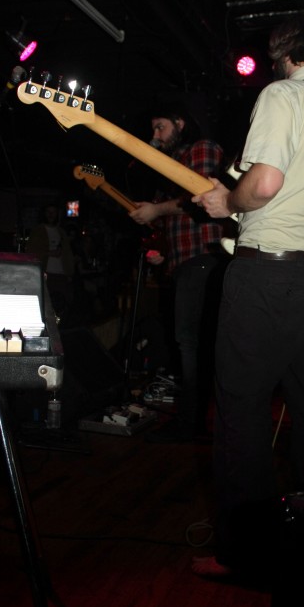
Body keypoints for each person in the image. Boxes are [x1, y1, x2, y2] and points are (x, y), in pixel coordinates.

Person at [190, 11, 304, 578]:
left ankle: (249, 553)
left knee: (240, 409)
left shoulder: (284, 94)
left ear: (284, 48)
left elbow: (264, 184)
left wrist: (227, 202)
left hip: (268, 275)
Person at [129, 102, 226, 442]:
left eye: (161, 127)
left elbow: (202, 196)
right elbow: (179, 217)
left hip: (204, 258)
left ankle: (193, 421)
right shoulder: (174, 163)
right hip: (187, 260)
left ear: (180, 123)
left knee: (191, 343)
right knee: (189, 342)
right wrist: (164, 253)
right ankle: (195, 419)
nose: (155, 134)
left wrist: (157, 210)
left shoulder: (201, 148)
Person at [25, 203, 76, 320]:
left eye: (53, 212)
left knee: (63, 305)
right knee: (45, 305)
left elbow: (67, 253)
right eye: (48, 212)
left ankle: (61, 327)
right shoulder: (38, 231)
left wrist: (69, 272)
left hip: (61, 274)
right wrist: (49, 253)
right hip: (45, 273)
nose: (51, 215)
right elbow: (31, 251)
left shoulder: (61, 232)